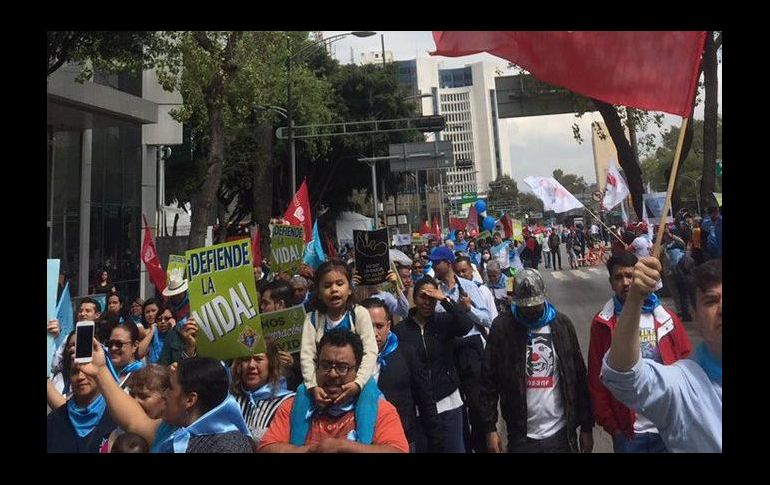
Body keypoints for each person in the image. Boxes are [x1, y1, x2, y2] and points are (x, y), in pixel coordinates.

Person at [602, 258, 721, 452]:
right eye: (710, 301)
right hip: (636, 430)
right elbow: (623, 375)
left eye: (629, 276)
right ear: (694, 314)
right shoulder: (682, 385)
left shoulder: (667, 318)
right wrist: (635, 299)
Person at [481, 268, 594, 453]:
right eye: (526, 306)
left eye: (535, 305)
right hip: (521, 436)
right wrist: (490, 428)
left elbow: (579, 378)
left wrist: (587, 427)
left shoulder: (562, 325)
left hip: (561, 435)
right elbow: (488, 382)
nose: (531, 310)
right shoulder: (502, 328)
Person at [588, 252, 692, 453]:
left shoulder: (667, 319)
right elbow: (596, 378)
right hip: (629, 435)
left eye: (630, 276)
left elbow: (687, 365)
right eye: (619, 277)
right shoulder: (603, 324)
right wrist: (614, 427)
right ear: (611, 283)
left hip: (667, 428)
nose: (626, 282)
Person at [82, 342, 254, 453]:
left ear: (190, 400)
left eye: (170, 388)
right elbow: (134, 420)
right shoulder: (172, 430)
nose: (164, 394)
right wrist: (100, 370)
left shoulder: (228, 447)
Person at [259, 330, 408, 452]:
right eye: (325, 365)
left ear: (358, 371)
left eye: (342, 367)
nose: (332, 374)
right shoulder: (293, 406)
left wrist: (343, 447)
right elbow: (266, 448)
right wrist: (310, 451)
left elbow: (397, 450)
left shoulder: (380, 409)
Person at [394, 277, 475, 453]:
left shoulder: (444, 321)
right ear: (414, 298)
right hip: (418, 408)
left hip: (448, 401)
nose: (427, 302)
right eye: (423, 296)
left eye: (432, 297)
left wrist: (444, 299)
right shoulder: (401, 330)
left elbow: (466, 324)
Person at [361, 298, 443, 452]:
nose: (374, 333)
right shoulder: (349, 359)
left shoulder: (406, 353)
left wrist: (435, 439)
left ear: (388, 326)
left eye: (379, 326)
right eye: (367, 326)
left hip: (402, 440)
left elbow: (425, 399)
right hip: (361, 442)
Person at [299, 259, 378, 410]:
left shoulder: (359, 314)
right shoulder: (312, 319)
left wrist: (358, 383)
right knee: (301, 392)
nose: (334, 289)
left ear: (349, 289)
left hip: (354, 380)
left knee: (369, 390)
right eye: (327, 286)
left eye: (339, 284)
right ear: (319, 293)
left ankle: (364, 434)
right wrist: (313, 386)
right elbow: (307, 356)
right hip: (324, 383)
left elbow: (370, 351)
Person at [230, 339, 295, 446]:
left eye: (258, 359)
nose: (251, 365)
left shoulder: (288, 403)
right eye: (246, 359)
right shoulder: (229, 401)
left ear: (271, 364)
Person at [47, 363, 117, 452]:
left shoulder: (116, 418)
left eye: (87, 371)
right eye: (75, 372)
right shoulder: (54, 420)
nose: (80, 377)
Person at [261, 279, 303, 389]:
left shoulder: (304, 325)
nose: (262, 307)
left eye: (266, 303)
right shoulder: (258, 329)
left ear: (280, 304)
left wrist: (293, 363)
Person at [105, 320, 146, 389]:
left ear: (134, 346)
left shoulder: (143, 377)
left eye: (119, 344)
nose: (113, 348)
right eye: (110, 344)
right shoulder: (105, 373)